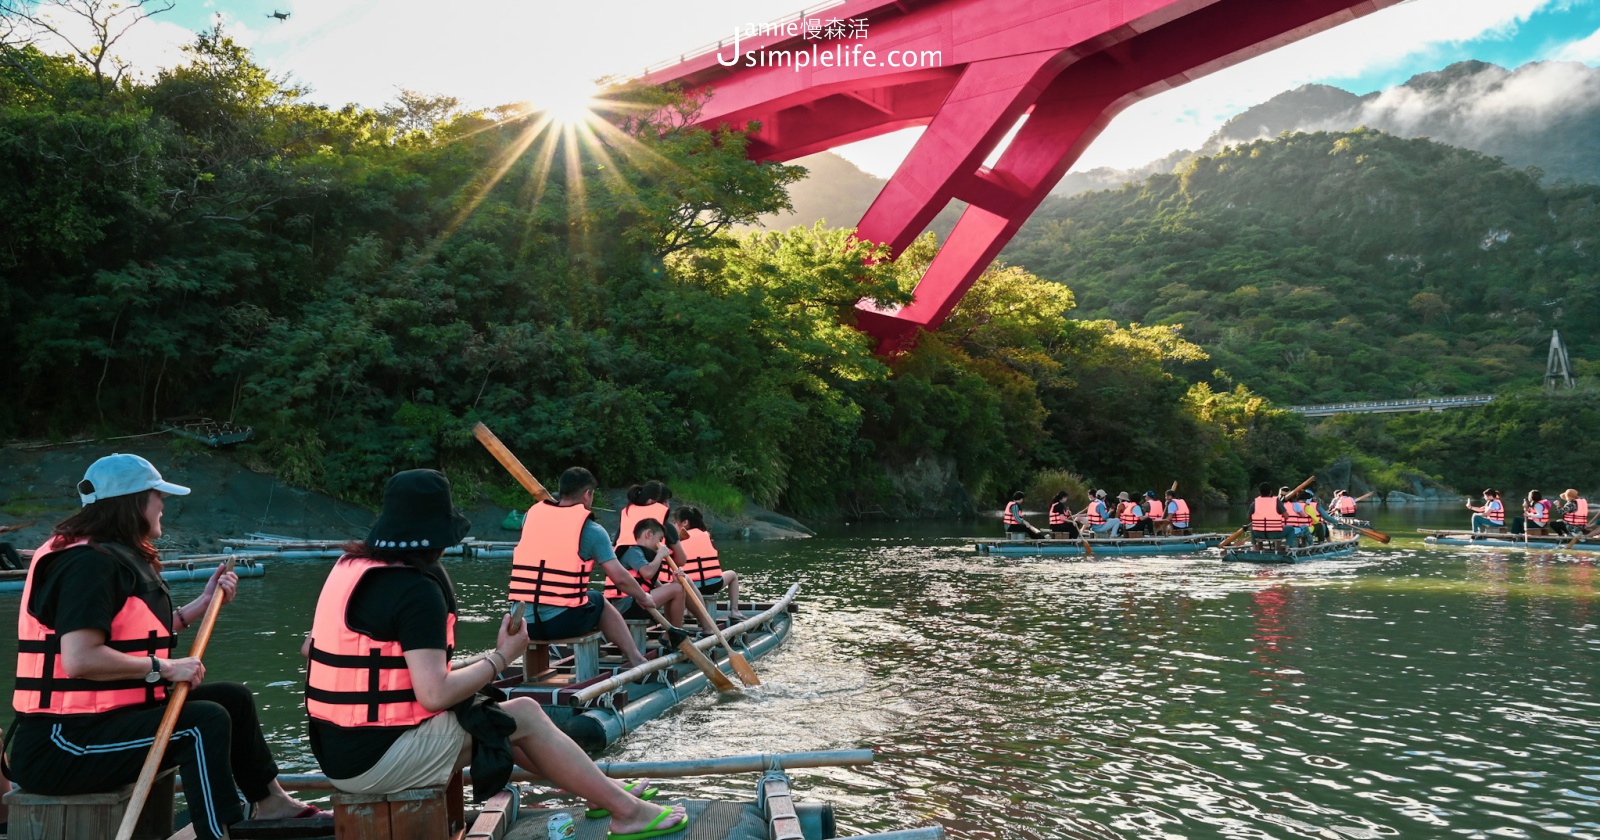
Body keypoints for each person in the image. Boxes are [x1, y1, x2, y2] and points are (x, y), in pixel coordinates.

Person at [306, 470, 688, 839]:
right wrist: (502, 656)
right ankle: (627, 813)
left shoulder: (352, 568)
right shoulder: (415, 589)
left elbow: (311, 648)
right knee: (523, 714)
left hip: (337, 751)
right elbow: (434, 694)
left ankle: (604, 794)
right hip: (377, 760)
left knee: (494, 713)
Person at [4, 454, 324, 840]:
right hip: (61, 744)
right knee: (201, 723)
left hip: (102, 723)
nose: (163, 506)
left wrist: (200, 606)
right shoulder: (86, 563)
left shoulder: (112, 554)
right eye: (159, 497)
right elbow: (80, 658)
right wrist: (166, 668)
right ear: (135, 501)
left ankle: (271, 803)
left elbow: (131, 632)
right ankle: (216, 832)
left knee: (231, 700)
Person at [510, 467, 654, 668]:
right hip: (561, 624)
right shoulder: (593, 531)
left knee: (584, 601)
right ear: (587, 495)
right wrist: (643, 596)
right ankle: (636, 658)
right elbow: (619, 578)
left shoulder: (530, 518)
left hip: (522, 623)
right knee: (598, 600)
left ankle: (601, 650)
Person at [603, 518, 693, 631]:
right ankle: (674, 634)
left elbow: (655, 584)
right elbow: (647, 574)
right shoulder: (634, 552)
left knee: (677, 587)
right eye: (659, 540)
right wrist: (660, 555)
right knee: (677, 589)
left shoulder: (643, 555)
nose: (660, 545)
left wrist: (674, 581)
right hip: (626, 606)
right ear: (649, 534)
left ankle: (671, 632)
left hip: (636, 602)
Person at [671, 507, 744, 621]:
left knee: (681, 577)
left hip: (691, 587)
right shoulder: (706, 535)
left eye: (675, 523)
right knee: (733, 575)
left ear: (685, 523)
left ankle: (687, 611)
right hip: (714, 584)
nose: (673, 526)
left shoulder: (676, 541)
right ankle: (734, 610)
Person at [616, 481, 687, 569]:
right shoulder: (666, 526)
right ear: (650, 501)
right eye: (664, 501)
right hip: (653, 579)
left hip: (623, 580)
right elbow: (681, 560)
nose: (668, 506)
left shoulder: (625, 522)